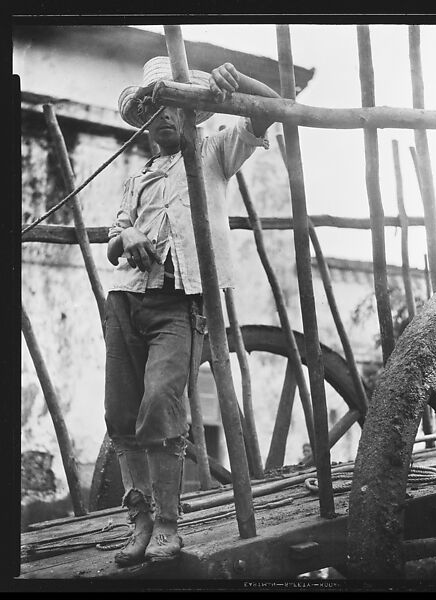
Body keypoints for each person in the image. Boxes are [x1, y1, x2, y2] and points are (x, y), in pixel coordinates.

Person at [104, 56, 278, 566]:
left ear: (191, 113)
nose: (163, 116)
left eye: (174, 105)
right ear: (146, 118)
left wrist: (238, 82)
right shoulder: (137, 179)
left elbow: (271, 108)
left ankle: (166, 523)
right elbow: (115, 242)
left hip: (181, 304)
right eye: (155, 106)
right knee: (119, 412)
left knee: (161, 401)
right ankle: (137, 521)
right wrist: (127, 235)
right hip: (126, 301)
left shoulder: (215, 151)